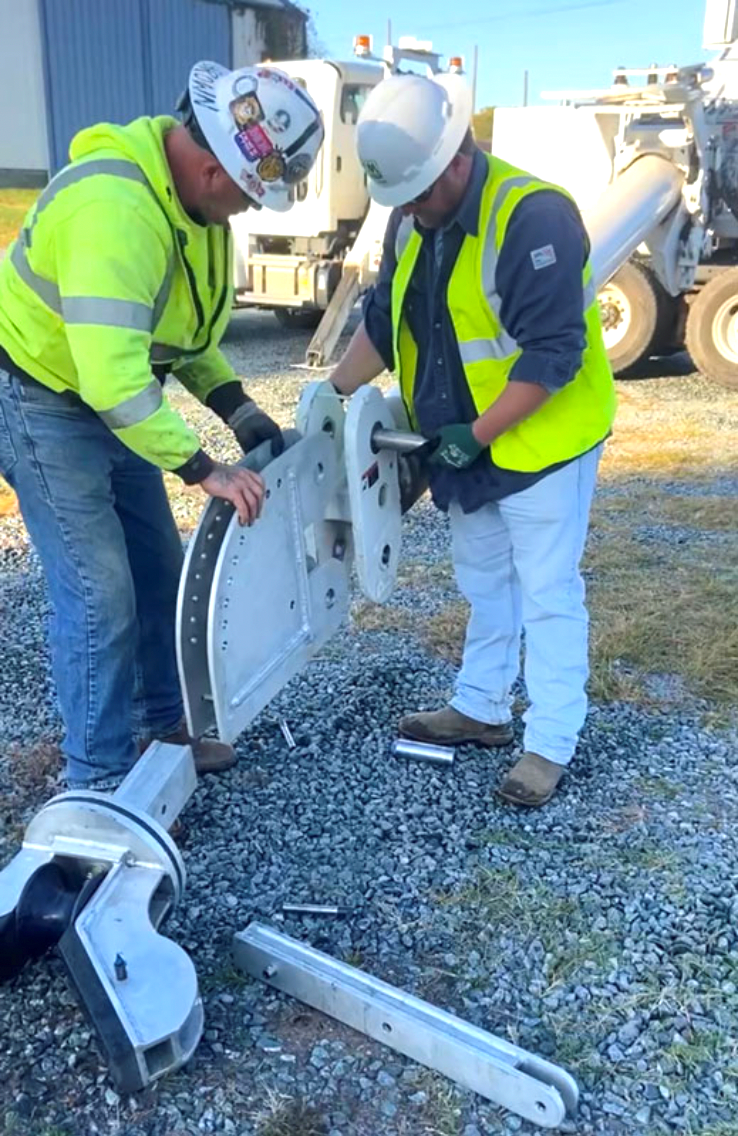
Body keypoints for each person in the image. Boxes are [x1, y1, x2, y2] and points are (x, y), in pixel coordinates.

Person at [0, 62, 324, 791]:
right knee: (98, 589)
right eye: (247, 196)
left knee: (158, 568)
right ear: (212, 169)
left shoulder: (193, 210)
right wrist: (203, 469)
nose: (247, 211)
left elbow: (186, 333)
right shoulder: (115, 212)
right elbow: (113, 376)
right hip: (43, 399)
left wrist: (239, 410)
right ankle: (99, 779)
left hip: (110, 394)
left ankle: (161, 725)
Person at [329, 72, 616, 807]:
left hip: (540, 443)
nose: (414, 211)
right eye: (403, 199)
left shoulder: (534, 219)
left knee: (548, 592)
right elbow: (385, 319)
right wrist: (329, 399)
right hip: (463, 444)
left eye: (422, 193)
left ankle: (550, 742)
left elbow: (555, 353)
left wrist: (475, 434)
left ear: (459, 155)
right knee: (485, 584)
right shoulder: (409, 219)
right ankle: (482, 706)